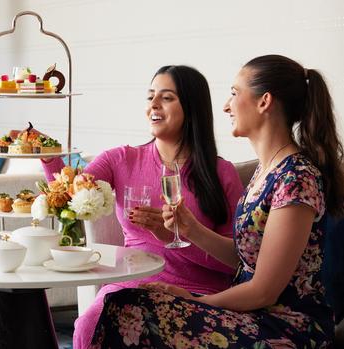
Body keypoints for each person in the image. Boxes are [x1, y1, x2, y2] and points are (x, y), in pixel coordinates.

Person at [91, 55, 344, 348]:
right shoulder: (266, 171)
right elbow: (245, 259)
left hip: (284, 324)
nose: (226, 106)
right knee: (123, 303)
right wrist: (191, 229)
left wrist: (196, 300)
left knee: (130, 313)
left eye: (235, 93)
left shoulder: (296, 179)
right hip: (250, 313)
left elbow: (264, 291)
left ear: (264, 102)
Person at [41, 65, 244, 348]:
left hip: (200, 293)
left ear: (192, 107)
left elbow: (235, 262)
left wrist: (177, 235)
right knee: (90, 325)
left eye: (167, 97)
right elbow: (68, 195)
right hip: (132, 284)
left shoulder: (222, 173)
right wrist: (47, 155)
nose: (154, 105)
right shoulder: (120, 159)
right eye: (150, 97)